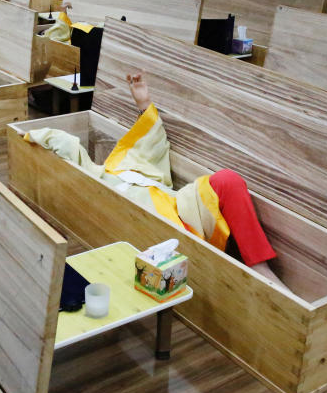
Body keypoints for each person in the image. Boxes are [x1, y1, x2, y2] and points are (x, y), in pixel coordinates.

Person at [26, 72, 284, 286]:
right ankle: (217, 267)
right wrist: (35, 135)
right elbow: (65, 144)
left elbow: (151, 141)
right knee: (172, 239)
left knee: (228, 179)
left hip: (179, 208)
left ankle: (260, 266)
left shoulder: (131, 160)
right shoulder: (95, 176)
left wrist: (144, 105)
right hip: (151, 226)